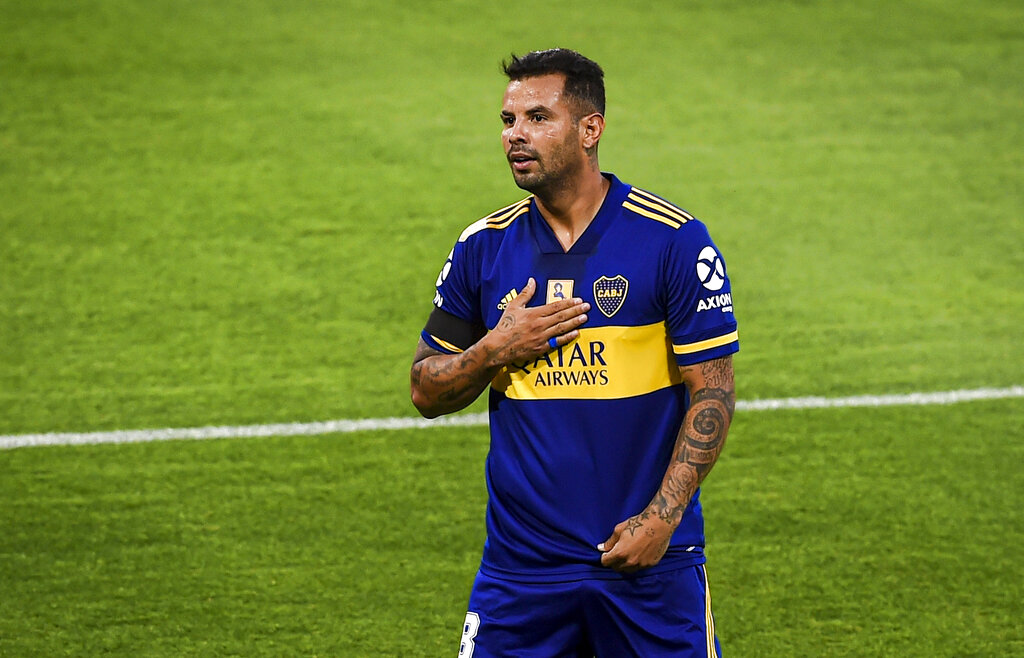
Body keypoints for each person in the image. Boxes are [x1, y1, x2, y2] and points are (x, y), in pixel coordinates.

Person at [410, 48, 738, 657]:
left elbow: (713, 391)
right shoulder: (483, 247)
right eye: (508, 120)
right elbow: (425, 390)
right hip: (523, 573)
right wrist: (492, 349)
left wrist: (662, 518)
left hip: (649, 566)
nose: (515, 136)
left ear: (591, 129)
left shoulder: (671, 240)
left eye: (538, 118)